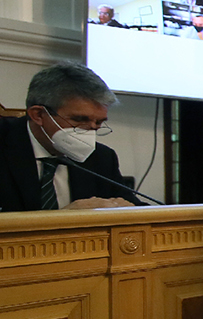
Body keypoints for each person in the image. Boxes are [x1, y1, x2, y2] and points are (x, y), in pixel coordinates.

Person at [0, 62, 140, 211]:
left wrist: (130, 210)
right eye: (80, 120)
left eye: (98, 122)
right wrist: (62, 219)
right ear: (38, 115)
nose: (89, 131)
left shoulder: (101, 158)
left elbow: (141, 212)